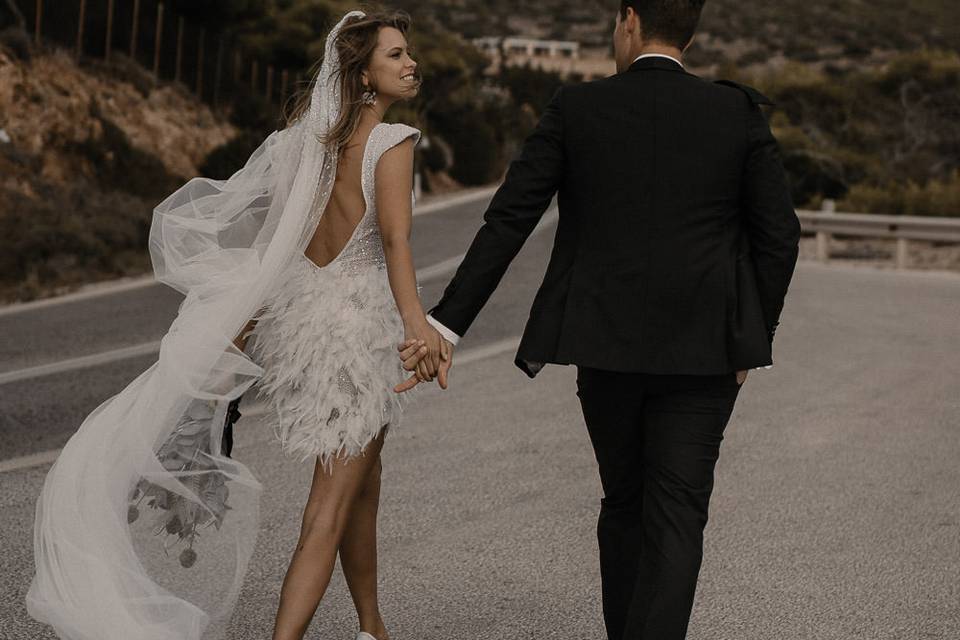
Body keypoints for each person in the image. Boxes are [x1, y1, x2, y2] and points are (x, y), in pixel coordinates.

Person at [27, 10, 444, 640]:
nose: (411, 64)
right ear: (362, 76)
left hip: (306, 329)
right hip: (359, 335)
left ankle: (372, 627)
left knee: (363, 483)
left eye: (408, 54)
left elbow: (271, 251)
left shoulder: (301, 148)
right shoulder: (393, 143)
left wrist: (241, 335)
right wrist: (419, 330)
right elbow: (394, 241)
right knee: (327, 509)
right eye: (396, 56)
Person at [403, 1, 801, 638]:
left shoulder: (577, 108)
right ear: (689, 33)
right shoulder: (736, 113)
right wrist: (752, 341)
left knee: (624, 502)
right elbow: (780, 237)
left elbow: (510, 218)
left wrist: (447, 324)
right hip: (705, 358)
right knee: (676, 514)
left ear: (630, 21)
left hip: (604, 349)